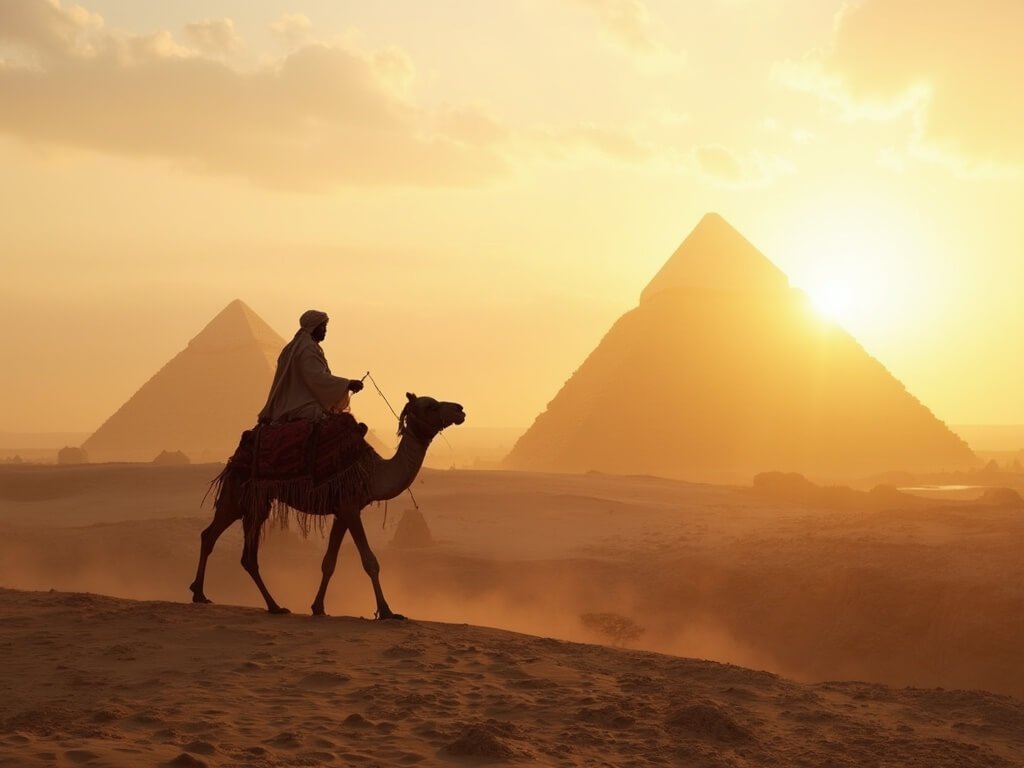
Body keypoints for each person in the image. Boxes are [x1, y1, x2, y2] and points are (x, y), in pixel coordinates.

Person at [257, 309, 364, 425]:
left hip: (285, 404)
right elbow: (316, 378)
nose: (325, 330)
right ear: (314, 327)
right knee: (342, 425)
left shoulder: (293, 347)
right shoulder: (308, 348)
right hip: (301, 406)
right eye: (322, 327)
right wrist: (347, 384)